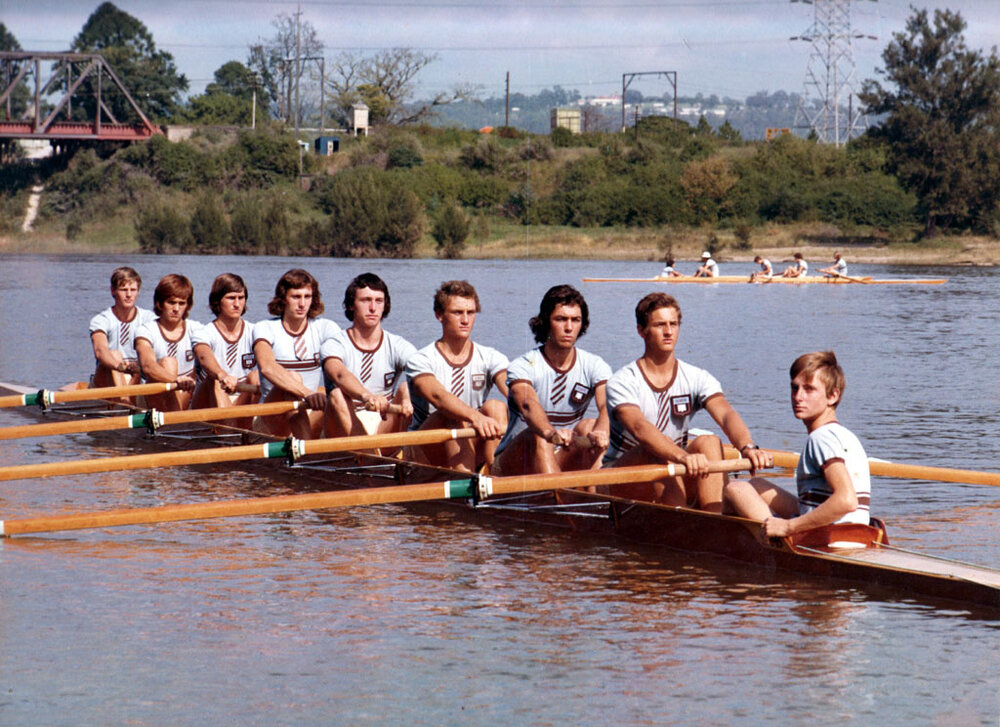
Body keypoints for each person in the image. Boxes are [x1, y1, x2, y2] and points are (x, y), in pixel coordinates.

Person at [602, 292, 772, 512]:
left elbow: (725, 414)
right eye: (659, 325)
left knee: (709, 441)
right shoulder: (622, 381)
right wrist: (682, 456)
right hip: (621, 477)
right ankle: (686, 523)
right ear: (641, 331)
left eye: (673, 324)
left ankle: (713, 518)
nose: (668, 331)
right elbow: (639, 428)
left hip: (673, 468)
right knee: (655, 451)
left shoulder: (695, 377)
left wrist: (748, 447)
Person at [724, 351, 871, 537]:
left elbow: (847, 500)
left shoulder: (820, 438)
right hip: (857, 534)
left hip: (830, 540)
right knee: (757, 484)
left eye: (809, 389)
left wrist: (789, 527)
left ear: (833, 396)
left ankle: (773, 540)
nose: (798, 397)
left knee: (735, 489)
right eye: (795, 388)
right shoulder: (847, 436)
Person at [493, 285, 611, 476]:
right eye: (561, 319)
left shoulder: (594, 365)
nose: (569, 328)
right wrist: (550, 433)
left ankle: (593, 497)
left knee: (590, 426)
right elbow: (528, 404)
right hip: (513, 463)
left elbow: (608, 404)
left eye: (575, 320)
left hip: (562, 454)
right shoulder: (523, 365)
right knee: (538, 436)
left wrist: (602, 431)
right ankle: (554, 498)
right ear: (546, 322)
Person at [406, 280, 509, 472]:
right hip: (425, 448)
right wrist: (475, 417)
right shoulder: (420, 360)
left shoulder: (491, 356)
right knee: (452, 416)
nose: (465, 320)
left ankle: (494, 475)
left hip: (470, 438)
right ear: (439, 315)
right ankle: (465, 481)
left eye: (470, 313)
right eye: (457, 313)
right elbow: (439, 397)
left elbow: (513, 390)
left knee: (496, 406)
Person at [322, 273, 416, 439]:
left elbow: (423, 372)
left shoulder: (397, 345)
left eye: (378, 301)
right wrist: (367, 396)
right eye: (365, 300)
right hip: (342, 424)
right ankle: (369, 459)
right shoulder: (335, 344)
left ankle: (374, 457)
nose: (373, 308)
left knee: (410, 386)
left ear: (385, 305)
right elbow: (339, 374)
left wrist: (410, 399)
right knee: (337, 394)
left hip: (383, 422)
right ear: (351, 305)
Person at [252, 269, 341, 439]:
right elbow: (267, 368)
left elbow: (342, 368)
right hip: (270, 420)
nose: (302, 304)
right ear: (283, 298)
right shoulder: (265, 328)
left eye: (307, 297)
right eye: (296, 297)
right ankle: (306, 454)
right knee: (292, 378)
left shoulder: (326, 328)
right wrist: (307, 393)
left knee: (337, 395)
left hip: (309, 411)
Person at [190, 273, 260, 429]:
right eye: (231, 298)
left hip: (242, 399)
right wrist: (222, 375)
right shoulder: (203, 333)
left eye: (241, 298)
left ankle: (246, 434)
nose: (237, 304)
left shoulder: (256, 332)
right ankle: (230, 437)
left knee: (256, 376)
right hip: (207, 402)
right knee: (214, 380)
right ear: (217, 302)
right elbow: (203, 355)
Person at [134, 274, 201, 412]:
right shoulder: (145, 331)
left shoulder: (198, 330)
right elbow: (148, 366)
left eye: (181, 303)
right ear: (159, 303)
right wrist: (175, 380)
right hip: (152, 398)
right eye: (171, 302)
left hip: (187, 395)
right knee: (169, 363)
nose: (176, 309)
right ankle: (176, 422)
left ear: (188, 306)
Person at [89, 266, 156, 391]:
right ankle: (124, 403)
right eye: (124, 290)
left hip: (137, 380)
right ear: (113, 291)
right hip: (105, 382)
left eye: (133, 290)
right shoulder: (101, 320)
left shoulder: (149, 319)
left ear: (138, 291)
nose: (129, 295)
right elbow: (100, 350)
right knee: (114, 354)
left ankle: (125, 402)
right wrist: (121, 367)